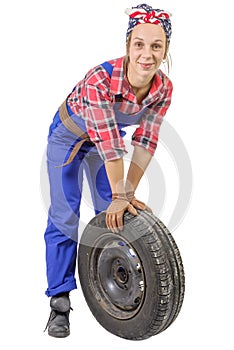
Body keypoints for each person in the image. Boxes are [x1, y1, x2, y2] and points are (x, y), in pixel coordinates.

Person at [44, 3, 173, 338]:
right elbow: (109, 141)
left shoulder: (163, 89)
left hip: (106, 142)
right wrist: (121, 192)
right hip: (69, 137)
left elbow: (146, 140)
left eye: (156, 46)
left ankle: (109, 288)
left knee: (113, 214)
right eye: (139, 44)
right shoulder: (101, 78)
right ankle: (59, 303)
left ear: (166, 50)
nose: (147, 54)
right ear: (128, 46)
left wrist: (126, 193)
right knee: (64, 216)